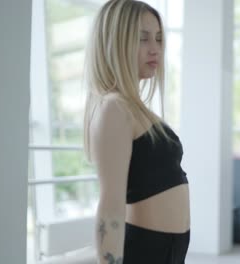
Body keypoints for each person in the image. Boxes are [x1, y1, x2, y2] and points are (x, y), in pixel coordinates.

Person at [83, 1, 190, 263]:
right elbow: (111, 206)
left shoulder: (133, 107)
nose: (155, 49)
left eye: (158, 38)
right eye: (142, 39)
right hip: (145, 251)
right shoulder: (113, 108)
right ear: (115, 42)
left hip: (168, 250)